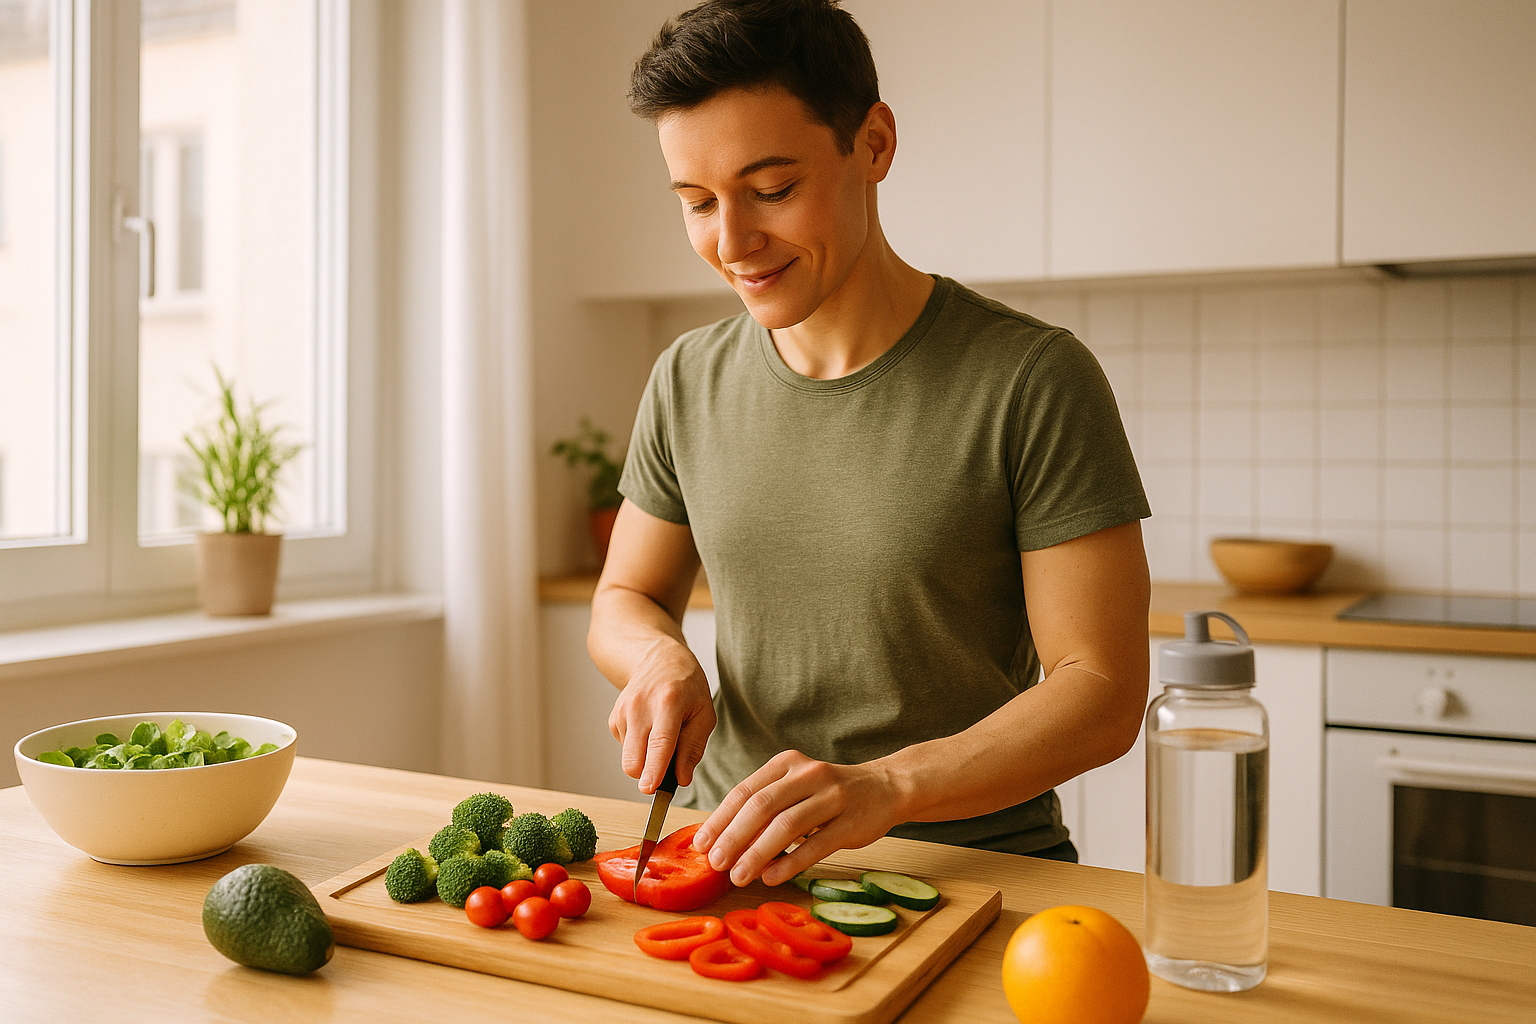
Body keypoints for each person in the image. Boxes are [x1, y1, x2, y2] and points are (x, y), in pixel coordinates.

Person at [588, 0, 1151, 889]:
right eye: (697, 203)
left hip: (974, 876)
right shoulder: (687, 378)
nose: (732, 244)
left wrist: (888, 787)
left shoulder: (1032, 378)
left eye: (772, 190)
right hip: (732, 872)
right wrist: (658, 656)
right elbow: (625, 594)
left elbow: (1102, 692)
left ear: (875, 145)